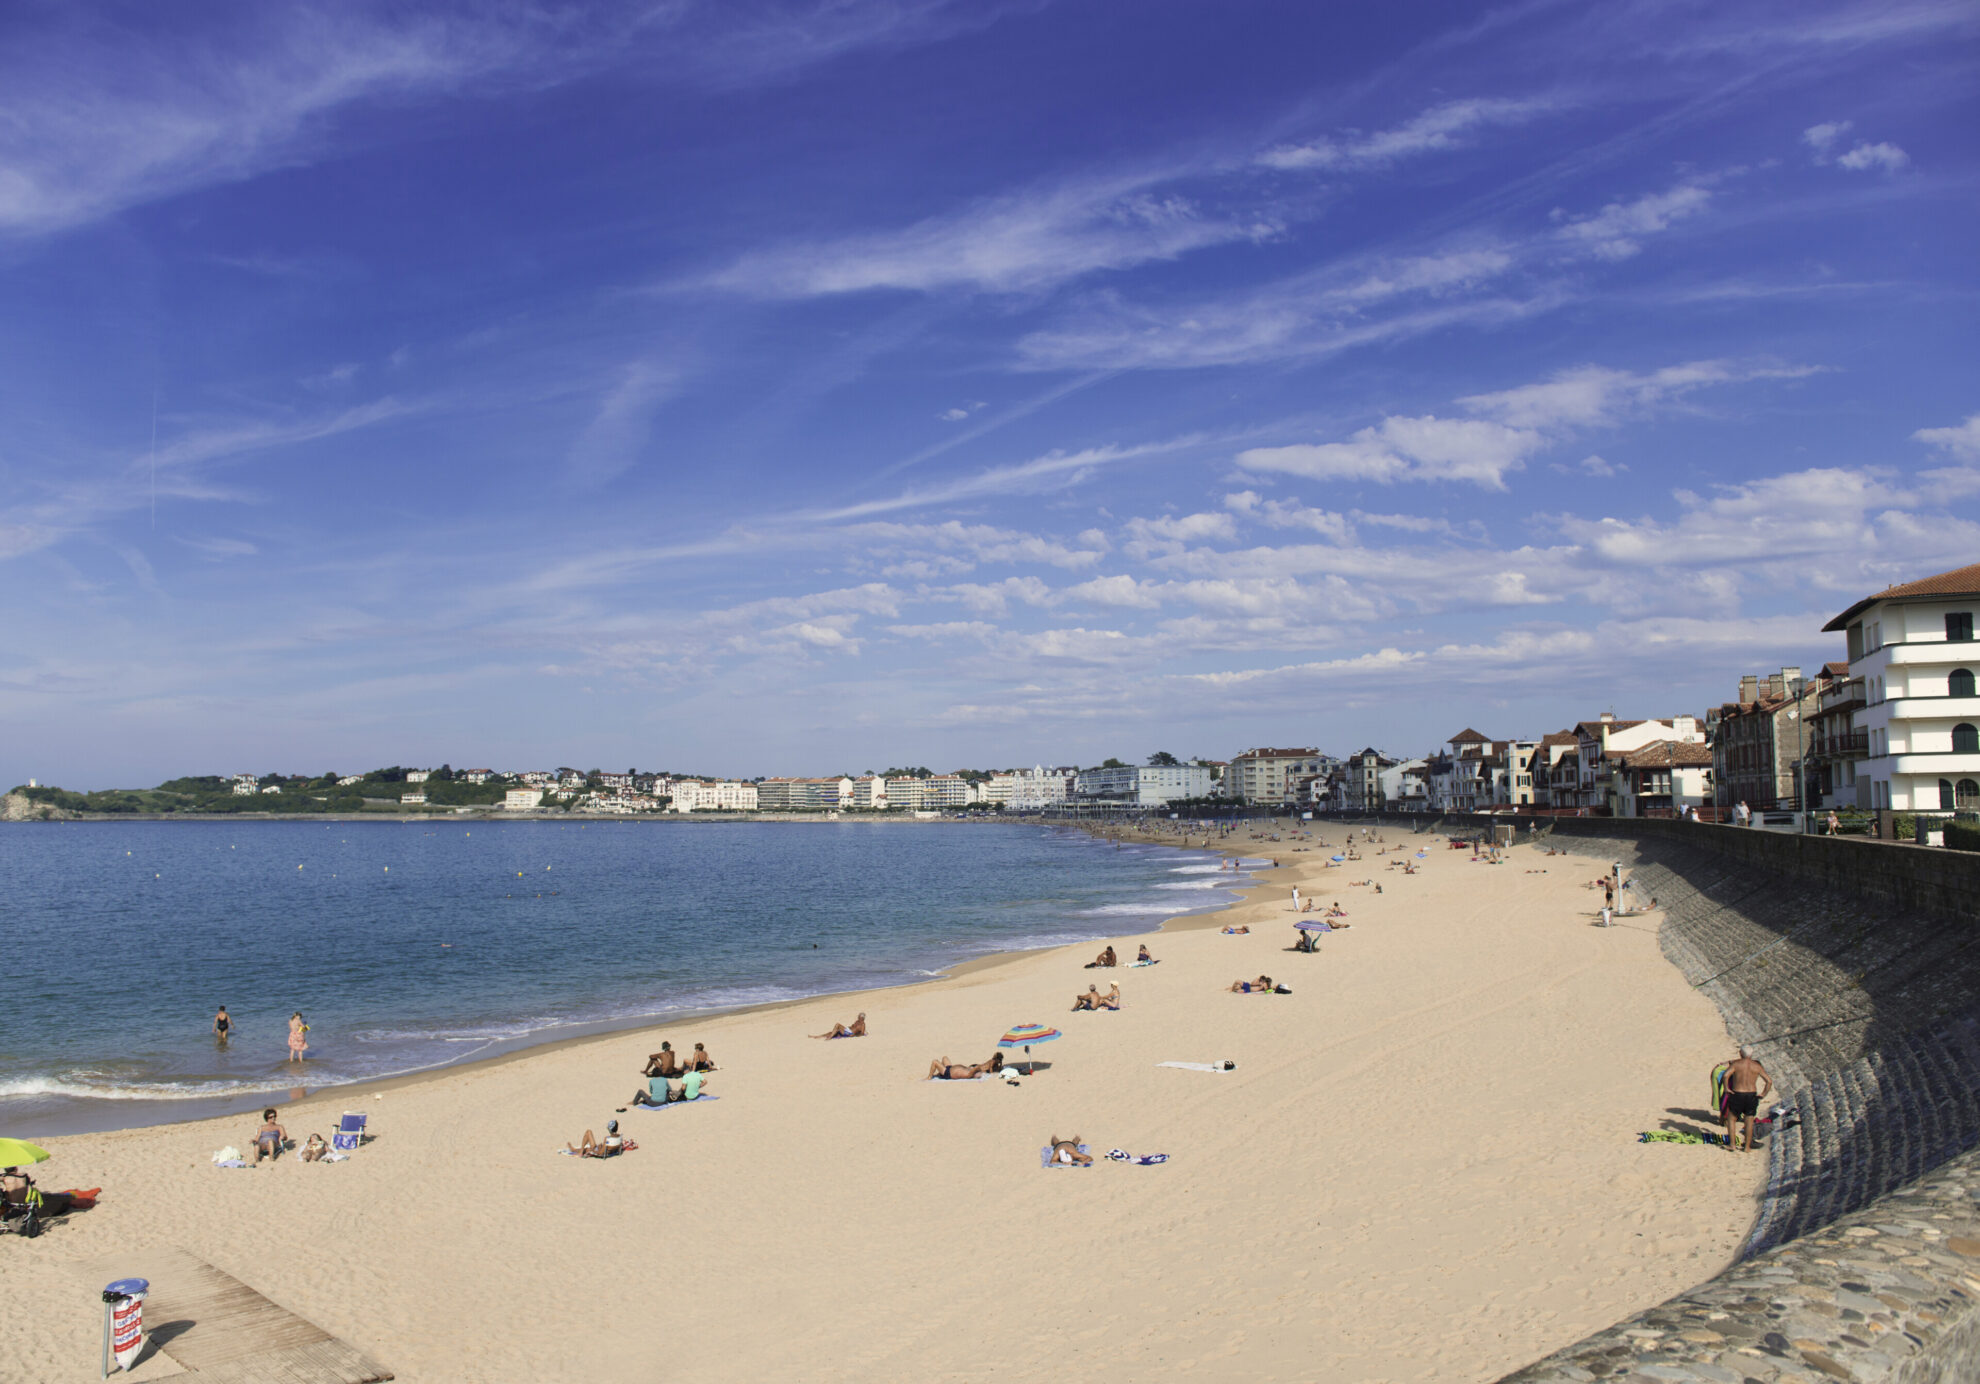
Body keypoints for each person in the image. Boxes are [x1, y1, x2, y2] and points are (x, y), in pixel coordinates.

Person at [1721, 1047, 1774, 1154]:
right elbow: (1769, 1081)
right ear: (1751, 1054)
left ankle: (1732, 1145)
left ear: (1740, 1053)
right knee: (1749, 1120)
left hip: (1738, 1093)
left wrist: (1726, 1088)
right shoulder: (1756, 1066)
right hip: (1751, 1095)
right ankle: (1747, 1147)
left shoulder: (1736, 1064)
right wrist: (1763, 1094)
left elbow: (1726, 1075)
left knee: (1732, 1119)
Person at [928, 1053, 1004, 1080]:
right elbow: (977, 1068)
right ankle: (939, 1074)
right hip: (950, 1068)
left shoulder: (969, 1074)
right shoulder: (971, 1071)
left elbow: (977, 1069)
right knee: (944, 1057)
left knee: (935, 1061)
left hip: (947, 1073)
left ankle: (929, 1077)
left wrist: (977, 1068)